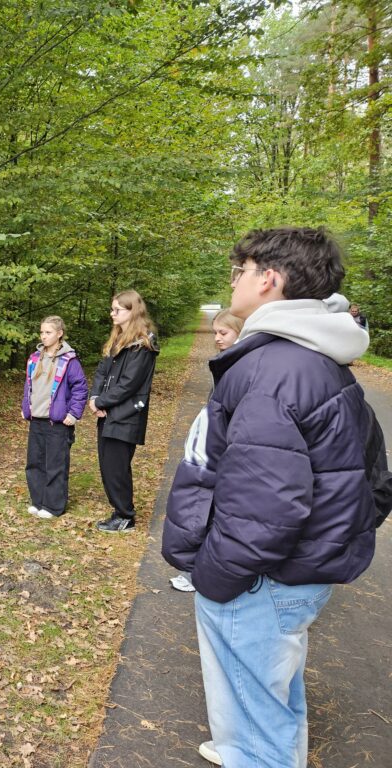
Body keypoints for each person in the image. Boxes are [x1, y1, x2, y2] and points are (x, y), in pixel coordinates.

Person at [162, 227, 375, 768]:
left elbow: (266, 507)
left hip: (262, 581)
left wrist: (216, 577)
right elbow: (372, 472)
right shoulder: (318, 360)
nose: (233, 280)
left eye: (241, 270)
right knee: (271, 697)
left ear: (269, 279)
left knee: (258, 731)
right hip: (294, 575)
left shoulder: (273, 369)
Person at [169, 309, 244, 594]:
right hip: (215, 450)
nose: (217, 338)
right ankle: (195, 570)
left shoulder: (243, 368)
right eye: (215, 333)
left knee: (215, 515)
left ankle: (201, 573)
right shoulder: (227, 364)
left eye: (223, 333)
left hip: (228, 455)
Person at [88, 290, 159, 532]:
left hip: (126, 415)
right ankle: (120, 512)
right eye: (112, 309)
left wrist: (101, 402)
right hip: (108, 413)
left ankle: (125, 516)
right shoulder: (117, 340)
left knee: (116, 467)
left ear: (132, 311)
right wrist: (95, 398)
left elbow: (129, 384)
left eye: (117, 309)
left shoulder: (143, 345)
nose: (112, 314)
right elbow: (102, 371)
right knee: (107, 465)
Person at [21, 316, 89, 519]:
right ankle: (38, 501)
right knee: (35, 463)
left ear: (59, 334)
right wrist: (26, 408)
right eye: (42, 332)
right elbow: (29, 386)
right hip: (37, 420)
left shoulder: (69, 360)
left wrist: (73, 414)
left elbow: (80, 388)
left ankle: (53, 506)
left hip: (58, 423)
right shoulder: (35, 358)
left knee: (55, 465)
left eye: (48, 332)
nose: (43, 336)